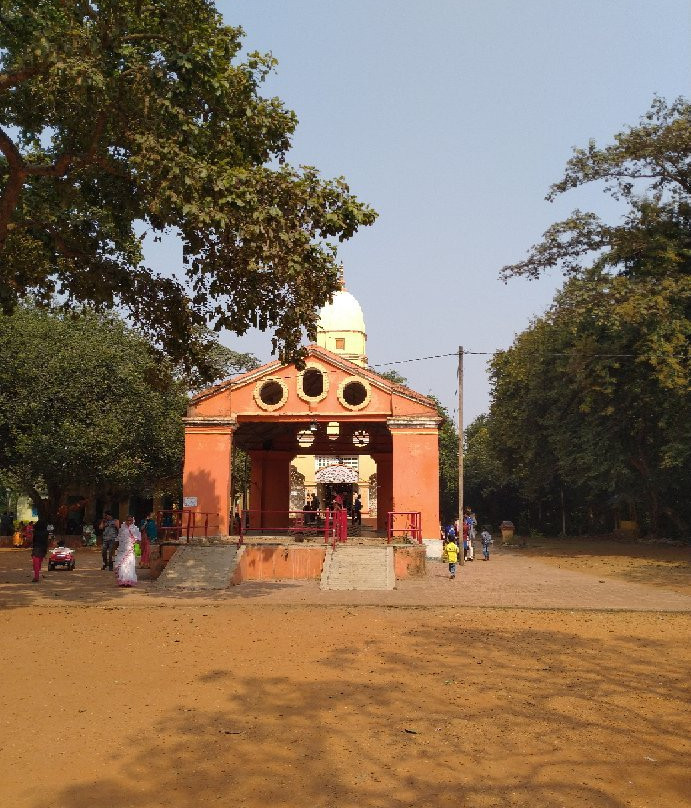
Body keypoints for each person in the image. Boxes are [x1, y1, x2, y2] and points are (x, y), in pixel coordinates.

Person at [113, 515, 140, 587]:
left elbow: (138, 539)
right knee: (122, 566)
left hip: (130, 550)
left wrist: (136, 546)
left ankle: (129, 581)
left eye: (130, 520)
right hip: (122, 550)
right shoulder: (122, 528)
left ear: (132, 521)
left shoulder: (135, 529)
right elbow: (118, 539)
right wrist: (115, 548)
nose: (129, 522)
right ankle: (122, 581)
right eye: (127, 520)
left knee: (129, 565)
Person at [31, 518, 49, 582]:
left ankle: (36, 576)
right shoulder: (46, 532)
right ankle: (37, 575)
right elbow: (47, 542)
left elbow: (33, 540)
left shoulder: (35, 532)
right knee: (39, 563)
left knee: (35, 563)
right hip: (43, 549)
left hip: (36, 548)